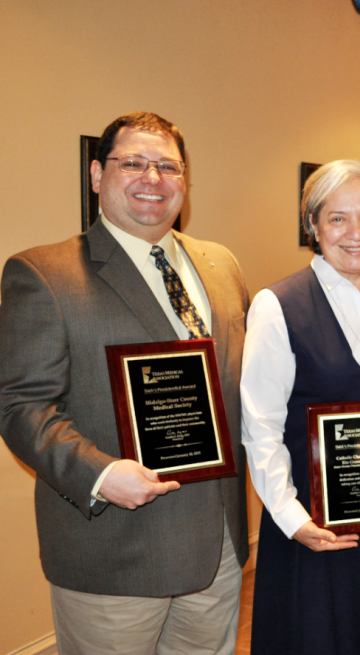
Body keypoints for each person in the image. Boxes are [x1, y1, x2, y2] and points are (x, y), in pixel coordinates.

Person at [0, 112, 249, 653]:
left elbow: (241, 386)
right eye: (132, 162)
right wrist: (101, 474)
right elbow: (22, 407)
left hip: (218, 545)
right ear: (96, 175)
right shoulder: (44, 274)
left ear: (185, 179)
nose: (152, 178)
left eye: (168, 166)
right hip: (114, 550)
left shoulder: (221, 265)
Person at [240, 159, 360, 654]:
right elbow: (260, 424)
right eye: (337, 217)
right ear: (313, 225)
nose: (355, 232)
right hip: (312, 524)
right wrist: (291, 518)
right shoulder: (278, 305)